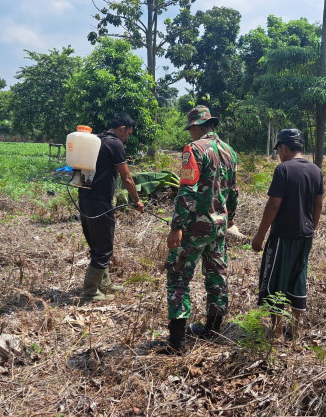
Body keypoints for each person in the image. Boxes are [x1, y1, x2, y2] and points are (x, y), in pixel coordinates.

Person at [160, 105, 239, 353]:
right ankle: (213, 329)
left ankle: (177, 342)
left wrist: (176, 226)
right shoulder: (230, 151)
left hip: (195, 227)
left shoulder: (193, 149)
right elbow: (233, 192)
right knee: (216, 276)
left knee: (178, 277)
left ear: (195, 127)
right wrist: (231, 220)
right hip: (218, 228)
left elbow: (187, 190)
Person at [252, 128, 323, 341]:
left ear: (284, 147)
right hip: (305, 236)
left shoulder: (283, 169)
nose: (279, 155)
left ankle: (277, 331)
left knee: (276, 281)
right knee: (298, 278)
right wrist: (312, 227)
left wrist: (259, 236)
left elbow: (274, 204)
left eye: (279, 150)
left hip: (283, 235)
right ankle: (296, 328)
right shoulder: (316, 170)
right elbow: (318, 205)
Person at [78, 113, 144, 303]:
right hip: (100, 202)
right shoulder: (115, 144)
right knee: (103, 247)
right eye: (128, 134)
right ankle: (90, 292)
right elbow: (127, 177)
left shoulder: (95, 140)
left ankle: (104, 284)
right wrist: (137, 200)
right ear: (122, 129)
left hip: (85, 199)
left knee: (98, 244)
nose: (127, 138)